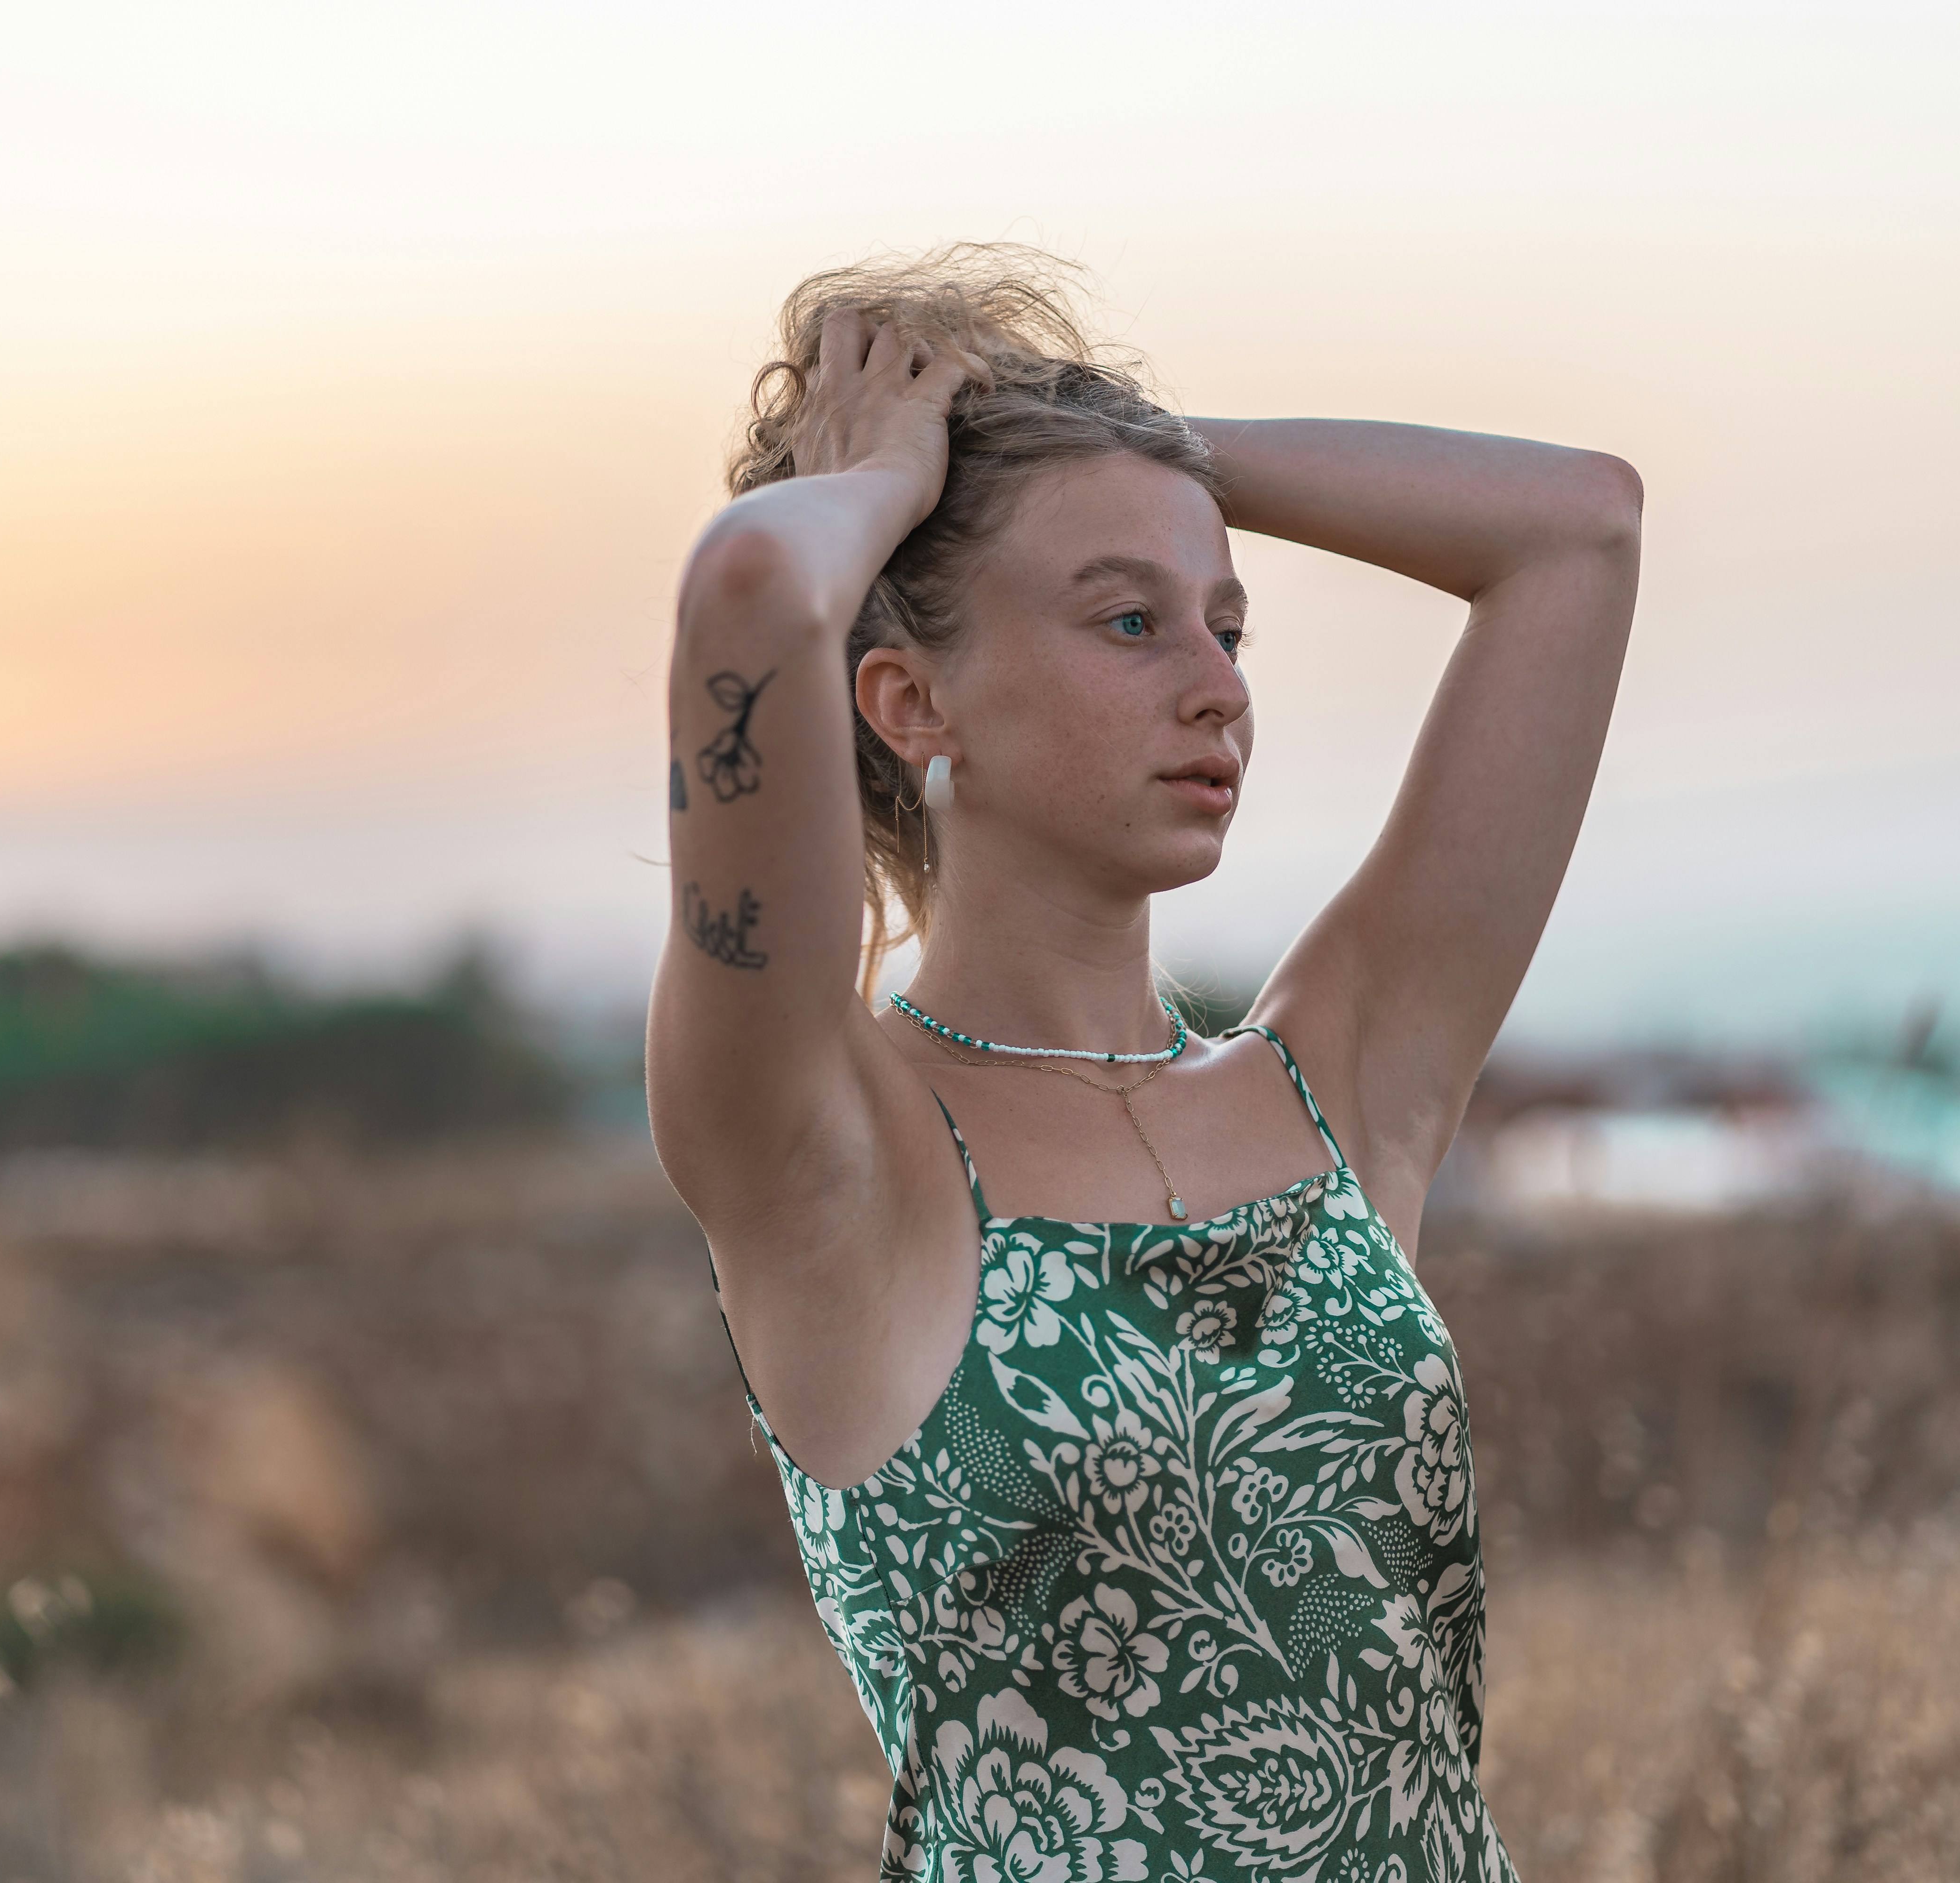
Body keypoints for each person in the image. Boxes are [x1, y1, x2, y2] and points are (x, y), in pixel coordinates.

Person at [645, 244, 1638, 1883]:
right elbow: (749, 597)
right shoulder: (827, 1150)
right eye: (1130, 621)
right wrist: (904, 475)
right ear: (909, 699)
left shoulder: (1340, 1078)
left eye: (1229, 627)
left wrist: (1120, 449)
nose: (1220, 691)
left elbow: (1579, 529)